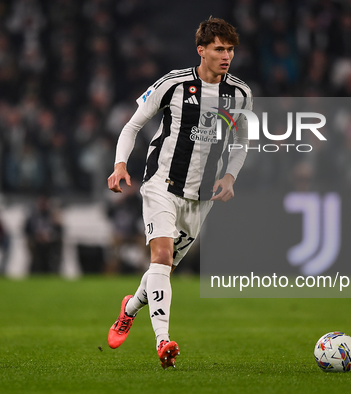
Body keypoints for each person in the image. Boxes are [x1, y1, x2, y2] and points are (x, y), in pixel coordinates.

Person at [106, 17, 252, 369]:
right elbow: (133, 124)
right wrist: (120, 164)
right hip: (162, 186)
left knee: (164, 267)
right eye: (219, 49)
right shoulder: (173, 84)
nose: (226, 55)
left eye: (230, 49)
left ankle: (128, 310)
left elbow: (242, 141)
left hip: (201, 198)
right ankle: (163, 342)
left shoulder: (241, 93)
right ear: (201, 50)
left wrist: (230, 176)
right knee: (161, 255)